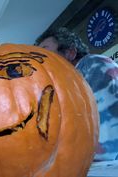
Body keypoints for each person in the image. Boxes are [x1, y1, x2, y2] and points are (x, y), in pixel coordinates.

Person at [35, 27, 118, 161]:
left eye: (46, 53)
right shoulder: (72, 83)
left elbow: (104, 146)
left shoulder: (92, 65)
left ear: (71, 53)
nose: (41, 61)